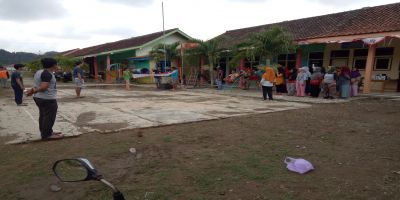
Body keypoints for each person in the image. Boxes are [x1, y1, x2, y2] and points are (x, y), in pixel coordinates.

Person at [26, 58, 63, 140]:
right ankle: (47, 135)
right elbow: (43, 87)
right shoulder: (47, 74)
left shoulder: (39, 72)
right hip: (47, 99)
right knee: (49, 116)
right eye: (56, 64)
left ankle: (46, 131)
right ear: (53, 65)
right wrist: (32, 91)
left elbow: (38, 85)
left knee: (43, 115)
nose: (57, 66)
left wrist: (33, 91)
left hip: (39, 98)